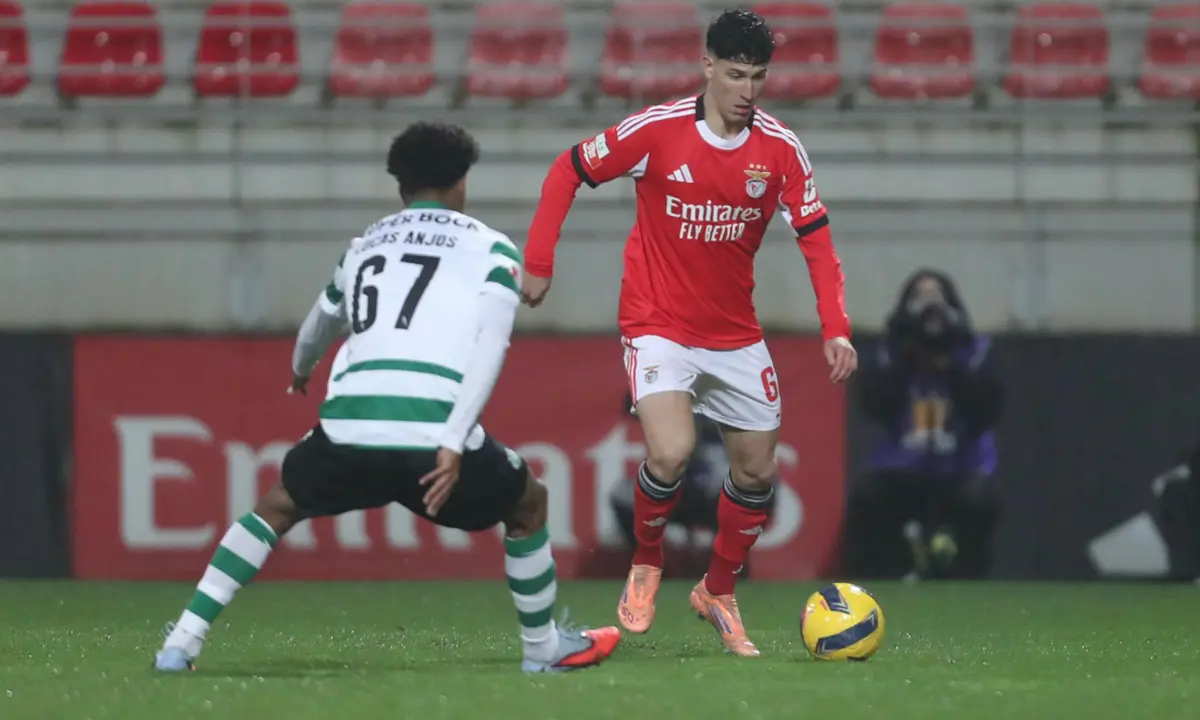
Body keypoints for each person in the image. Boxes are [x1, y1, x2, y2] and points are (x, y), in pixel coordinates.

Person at [153, 122, 620, 675]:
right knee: (528, 504)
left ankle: (182, 641)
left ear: (400, 184)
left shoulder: (365, 245)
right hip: (431, 437)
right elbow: (490, 348)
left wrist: (301, 371)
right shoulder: (491, 248)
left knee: (274, 509)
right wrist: (451, 439)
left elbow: (316, 328)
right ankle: (542, 648)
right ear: (462, 181)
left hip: (350, 427)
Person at [521, 9, 856, 657]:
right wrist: (538, 262)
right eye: (735, 75)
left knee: (756, 473)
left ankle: (717, 591)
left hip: (733, 332)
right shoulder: (657, 131)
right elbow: (567, 169)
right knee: (670, 453)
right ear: (707, 67)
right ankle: (647, 561)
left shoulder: (780, 149)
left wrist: (835, 328)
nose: (748, 90)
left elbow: (816, 238)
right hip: (657, 323)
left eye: (758, 76)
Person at [843, 269, 1004, 580]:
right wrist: (907, 352)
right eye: (920, 298)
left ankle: (967, 578)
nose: (930, 308)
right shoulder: (889, 354)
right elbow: (875, 404)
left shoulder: (976, 353)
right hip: (901, 469)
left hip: (962, 469)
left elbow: (986, 409)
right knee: (869, 496)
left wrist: (951, 362)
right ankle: (884, 576)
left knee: (981, 501)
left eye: (937, 298)